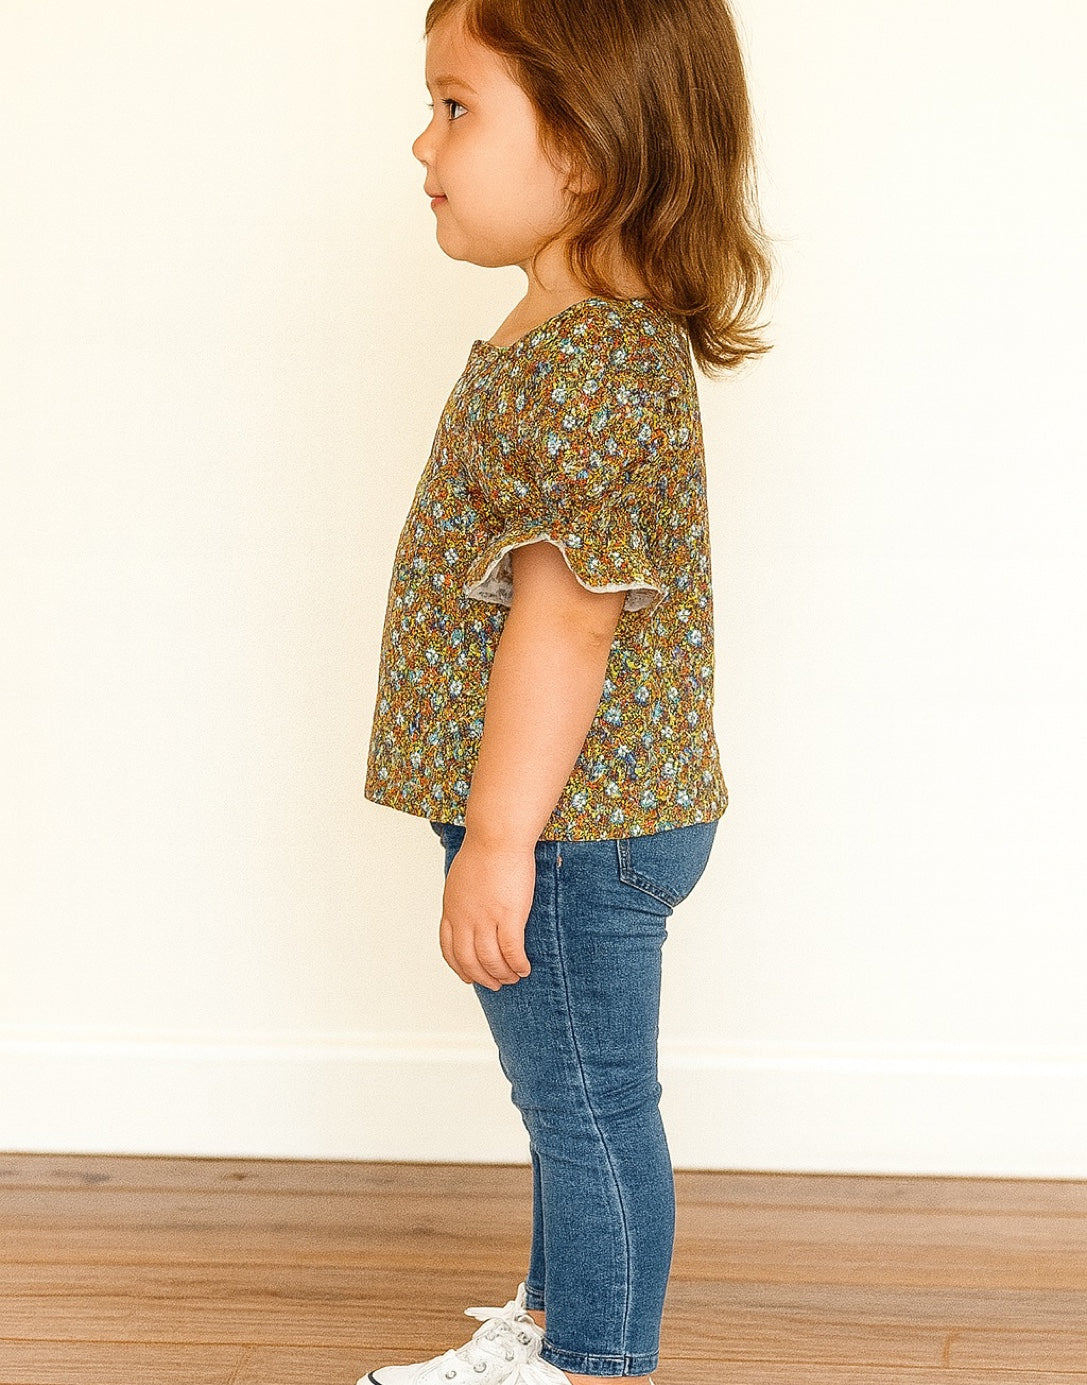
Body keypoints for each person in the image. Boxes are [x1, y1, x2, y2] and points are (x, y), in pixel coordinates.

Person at [361, 0, 770, 1381]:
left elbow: (567, 620)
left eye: (458, 105)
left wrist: (497, 839)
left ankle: (589, 1362)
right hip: (575, 818)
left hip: (571, 828)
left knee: (587, 1102)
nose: (424, 140)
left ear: (587, 148)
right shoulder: (568, 336)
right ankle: (545, 1328)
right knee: (568, 1099)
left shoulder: (589, 360)